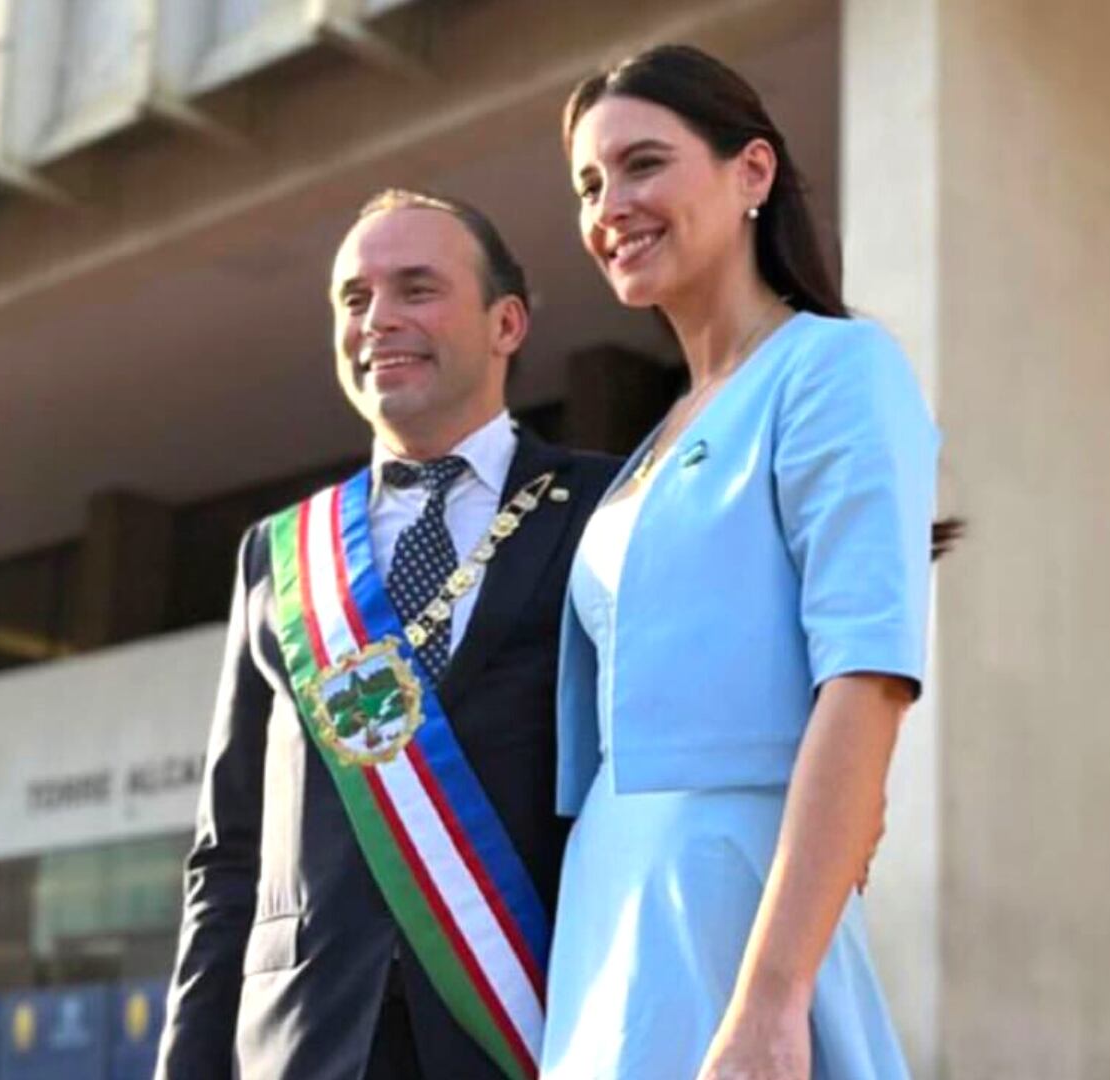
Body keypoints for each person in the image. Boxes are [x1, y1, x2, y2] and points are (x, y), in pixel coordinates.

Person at [543, 44, 944, 1079]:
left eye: (642, 164)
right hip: (609, 912)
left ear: (751, 173)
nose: (609, 207)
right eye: (590, 183)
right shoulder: (654, 439)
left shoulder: (834, 367)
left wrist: (773, 1000)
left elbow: (865, 682)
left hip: (734, 913)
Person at [156, 189, 619, 1080]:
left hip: (525, 1023)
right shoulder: (281, 554)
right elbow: (230, 850)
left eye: (417, 288)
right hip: (305, 1039)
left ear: (507, 323)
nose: (379, 320)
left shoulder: (603, 507)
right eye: (354, 298)